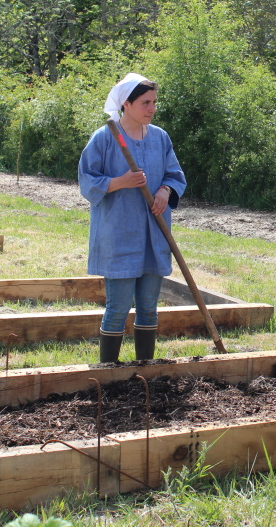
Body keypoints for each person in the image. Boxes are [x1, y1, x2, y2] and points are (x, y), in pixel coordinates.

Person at [78, 73, 187, 363]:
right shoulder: (106, 137)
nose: (152, 108)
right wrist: (120, 182)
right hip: (119, 233)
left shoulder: (160, 137)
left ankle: (145, 368)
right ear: (126, 104)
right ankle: (108, 370)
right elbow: (87, 181)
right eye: (145, 103)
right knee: (118, 306)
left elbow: (174, 174)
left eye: (154, 102)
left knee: (149, 306)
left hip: (154, 231)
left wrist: (165, 191)